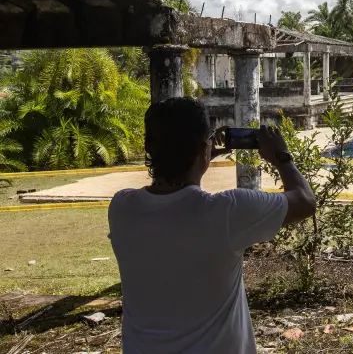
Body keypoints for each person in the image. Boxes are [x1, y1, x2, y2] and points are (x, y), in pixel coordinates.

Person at [108, 97, 316, 354]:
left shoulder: (121, 208)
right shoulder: (229, 212)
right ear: (202, 149)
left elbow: (176, 201)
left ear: (148, 147)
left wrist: (199, 156)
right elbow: (305, 201)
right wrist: (282, 157)